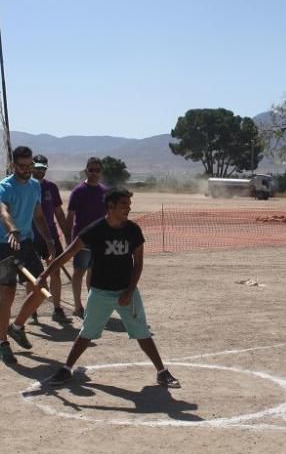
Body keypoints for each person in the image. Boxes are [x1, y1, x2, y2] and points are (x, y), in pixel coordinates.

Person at [37, 187, 180, 388]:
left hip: (126, 291)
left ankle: (162, 372)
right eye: (124, 205)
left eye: (129, 205)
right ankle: (66, 369)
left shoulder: (133, 230)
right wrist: (44, 275)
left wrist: (130, 291)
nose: (128, 209)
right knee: (86, 333)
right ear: (110, 206)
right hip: (100, 293)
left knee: (142, 333)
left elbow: (138, 263)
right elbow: (67, 255)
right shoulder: (95, 230)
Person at [0, 146, 53, 364]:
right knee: (7, 294)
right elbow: (2, 210)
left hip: (25, 244)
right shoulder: (5, 186)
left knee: (42, 289)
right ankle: (2, 343)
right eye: (22, 166)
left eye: (29, 166)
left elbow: (38, 215)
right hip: (3, 245)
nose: (27, 170)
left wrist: (49, 240)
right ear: (14, 165)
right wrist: (12, 229)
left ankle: (17, 327)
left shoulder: (35, 186)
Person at [65, 156, 107, 318]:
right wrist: (69, 242)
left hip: (100, 240)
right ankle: (77, 306)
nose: (94, 173)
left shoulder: (105, 192)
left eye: (97, 170)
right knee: (79, 272)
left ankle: (93, 305)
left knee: (95, 274)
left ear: (101, 172)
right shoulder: (78, 192)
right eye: (91, 170)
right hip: (81, 240)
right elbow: (70, 218)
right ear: (86, 171)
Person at [30, 154, 70, 324]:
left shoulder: (51, 188)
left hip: (52, 237)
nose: (40, 172)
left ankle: (57, 309)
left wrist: (67, 234)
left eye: (43, 169)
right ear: (31, 167)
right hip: (30, 238)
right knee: (32, 276)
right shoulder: (25, 187)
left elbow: (59, 213)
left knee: (55, 272)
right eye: (37, 168)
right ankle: (32, 311)